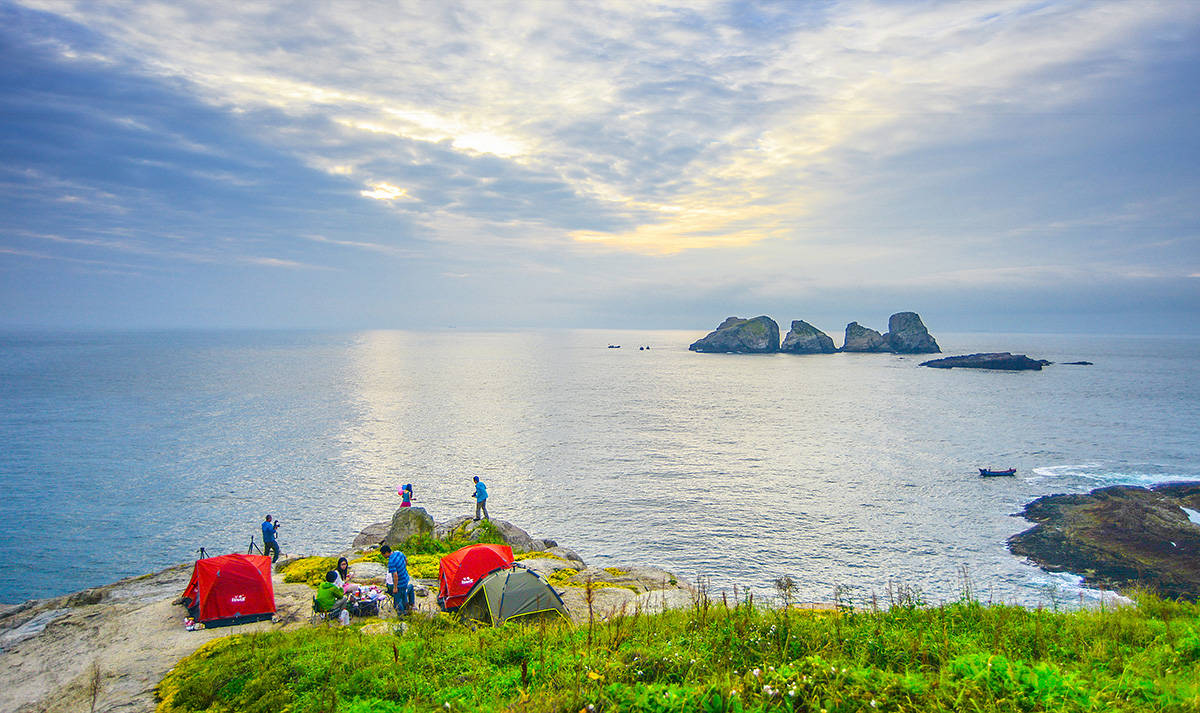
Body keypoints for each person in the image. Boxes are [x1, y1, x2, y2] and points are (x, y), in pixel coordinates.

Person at [381, 544, 414, 615]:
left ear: (386, 553)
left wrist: (395, 588)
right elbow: (406, 560)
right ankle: (409, 606)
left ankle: (402, 615)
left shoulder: (391, 562)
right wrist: (403, 569)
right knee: (404, 594)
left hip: (399, 583)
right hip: (405, 578)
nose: (383, 556)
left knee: (397, 602)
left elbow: (395, 575)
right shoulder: (399, 553)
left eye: (383, 554)